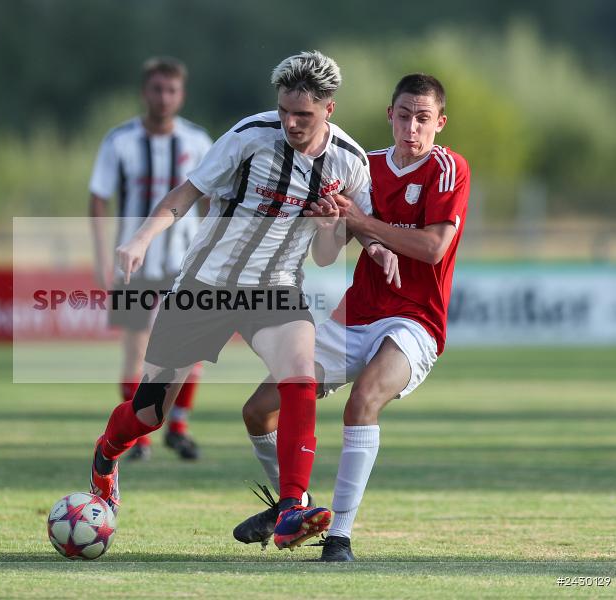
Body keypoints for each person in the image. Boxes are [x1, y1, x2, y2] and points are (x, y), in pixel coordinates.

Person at [88, 50, 399, 551]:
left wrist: (370, 245)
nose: (292, 123)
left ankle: (292, 508)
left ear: (329, 110)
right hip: (204, 286)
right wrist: (140, 240)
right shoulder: (249, 136)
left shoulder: (351, 162)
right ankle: (105, 454)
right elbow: (185, 195)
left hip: (275, 288)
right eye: (284, 111)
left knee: (299, 375)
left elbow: (325, 253)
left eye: (304, 115)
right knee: (148, 414)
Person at [232, 73, 471, 561]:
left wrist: (359, 221)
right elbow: (327, 254)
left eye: (423, 119)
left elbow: (433, 247)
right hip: (354, 316)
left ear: (440, 123)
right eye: (404, 116)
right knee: (258, 411)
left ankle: (338, 537)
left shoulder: (448, 169)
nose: (412, 128)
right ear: (390, 115)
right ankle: (292, 508)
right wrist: (328, 224)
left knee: (361, 402)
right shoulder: (365, 168)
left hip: (415, 322)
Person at [89, 56, 212, 461]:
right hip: (133, 259)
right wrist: (99, 254)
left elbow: (211, 200)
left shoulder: (197, 141)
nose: (164, 97)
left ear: (182, 94)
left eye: (171, 90)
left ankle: (177, 426)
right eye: (157, 89)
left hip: (186, 258)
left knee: (189, 342)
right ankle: (137, 435)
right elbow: (98, 198)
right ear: (145, 92)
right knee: (135, 346)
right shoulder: (119, 141)